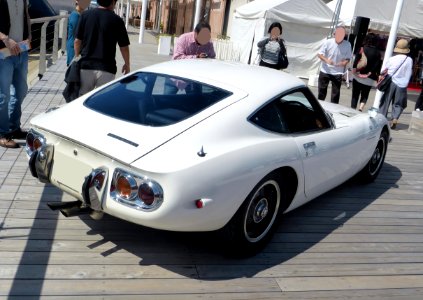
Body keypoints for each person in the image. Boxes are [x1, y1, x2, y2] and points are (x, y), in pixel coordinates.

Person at [74, 0, 130, 96]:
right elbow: (124, 47)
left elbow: (77, 41)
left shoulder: (85, 15)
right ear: (112, 2)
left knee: (82, 100)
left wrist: (77, 56)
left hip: (86, 66)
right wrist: (127, 64)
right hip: (107, 69)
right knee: (101, 102)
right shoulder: (118, 20)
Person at [0, 0, 32, 148]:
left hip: (22, 51)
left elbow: (26, 18)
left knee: (21, 91)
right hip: (3, 53)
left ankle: (14, 128)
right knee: (3, 95)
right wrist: (5, 39)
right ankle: (2, 133)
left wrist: (29, 37)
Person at [166, 22, 215, 94]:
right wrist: (196, 57)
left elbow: (212, 58)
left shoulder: (209, 44)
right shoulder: (183, 39)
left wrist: (207, 60)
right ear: (195, 33)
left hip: (194, 80)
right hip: (175, 78)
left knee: (196, 103)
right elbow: (177, 57)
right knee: (166, 101)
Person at [378, 39, 413, 129]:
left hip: (391, 82)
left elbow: (383, 71)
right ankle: (395, 118)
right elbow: (409, 73)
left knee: (385, 101)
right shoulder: (409, 60)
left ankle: (382, 119)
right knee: (399, 103)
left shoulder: (392, 59)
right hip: (403, 84)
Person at [317, 26, 352, 104]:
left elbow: (348, 58)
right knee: (321, 92)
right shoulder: (328, 42)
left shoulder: (347, 44)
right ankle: (320, 107)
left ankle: (333, 110)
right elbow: (319, 54)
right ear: (334, 34)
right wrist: (327, 60)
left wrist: (344, 63)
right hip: (325, 70)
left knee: (335, 95)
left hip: (337, 72)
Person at [350, 33, 382, 111]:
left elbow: (355, 62)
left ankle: (353, 109)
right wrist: (370, 73)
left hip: (358, 75)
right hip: (369, 78)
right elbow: (378, 66)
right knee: (365, 94)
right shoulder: (378, 53)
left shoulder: (361, 49)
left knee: (355, 94)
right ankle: (361, 107)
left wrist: (354, 71)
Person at [66, 0, 90, 66]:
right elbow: (77, 34)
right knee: (73, 70)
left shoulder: (79, 14)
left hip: (77, 47)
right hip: (74, 49)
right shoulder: (75, 15)